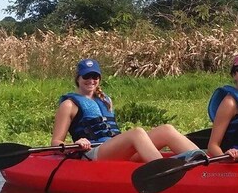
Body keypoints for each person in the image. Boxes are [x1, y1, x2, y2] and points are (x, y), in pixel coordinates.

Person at [51, 58, 202, 162]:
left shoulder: (105, 100)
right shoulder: (69, 105)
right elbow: (55, 143)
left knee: (167, 129)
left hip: (115, 150)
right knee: (136, 132)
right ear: (78, 78)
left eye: (95, 76)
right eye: (86, 76)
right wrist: (79, 142)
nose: (91, 80)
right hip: (93, 153)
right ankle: (162, 168)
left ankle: (206, 163)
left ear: (100, 78)